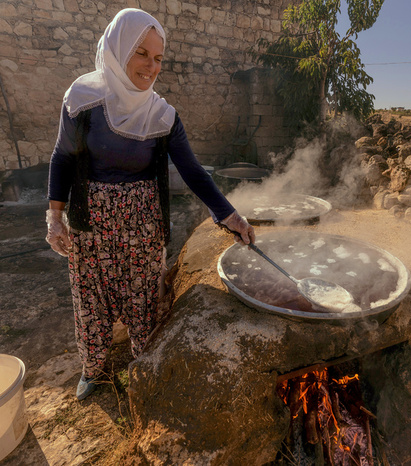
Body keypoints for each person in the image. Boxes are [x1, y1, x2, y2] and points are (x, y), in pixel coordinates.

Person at [45, 8, 255, 401]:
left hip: (142, 229)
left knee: (144, 303)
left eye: (158, 58)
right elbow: (62, 157)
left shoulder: (162, 116)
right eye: (141, 53)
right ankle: (94, 370)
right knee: (90, 303)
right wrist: (54, 219)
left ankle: (144, 371)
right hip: (89, 228)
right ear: (118, 47)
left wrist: (232, 217)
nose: (151, 66)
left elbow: (194, 172)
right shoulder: (83, 98)